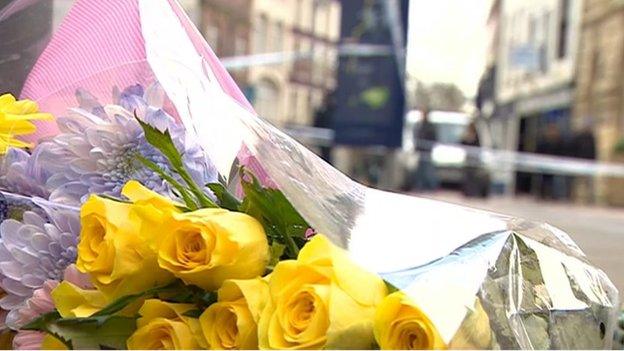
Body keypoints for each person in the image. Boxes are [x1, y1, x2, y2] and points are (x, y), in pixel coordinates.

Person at [412, 109, 438, 191]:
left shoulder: (430, 126)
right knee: (420, 168)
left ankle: (430, 185)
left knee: (427, 168)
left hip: (426, 150)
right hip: (420, 150)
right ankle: (420, 185)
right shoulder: (418, 125)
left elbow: (433, 137)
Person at [571, 120, 597, 203]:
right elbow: (575, 149)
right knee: (578, 181)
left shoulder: (592, 137)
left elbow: (594, 150)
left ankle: (589, 199)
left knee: (589, 182)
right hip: (579, 162)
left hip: (589, 163)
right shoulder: (578, 137)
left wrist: (594, 161)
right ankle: (576, 197)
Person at [460, 122, 489, 197]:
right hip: (467, 160)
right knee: (467, 177)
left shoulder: (476, 137)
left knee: (473, 177)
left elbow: (478, 147)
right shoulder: (466, 136)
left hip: (474, 160)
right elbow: (462, 144)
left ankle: (473, 192)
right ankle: (467, 192)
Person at [313, 91, 336, 164]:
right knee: (325, 154)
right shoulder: (323, 111)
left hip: (328, 137)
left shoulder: (331, 111)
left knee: (326, 154)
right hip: (322, 136)